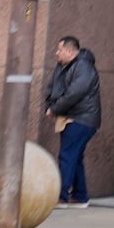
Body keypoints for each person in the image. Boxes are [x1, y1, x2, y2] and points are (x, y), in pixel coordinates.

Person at [44, 35, 101, 208]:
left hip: (81, 118)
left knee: (67, 156)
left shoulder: (83, 67)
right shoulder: (63, 66)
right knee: (74, 157)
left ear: (70, 51)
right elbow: (52, 88)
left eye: (59, 49)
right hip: (72, 117)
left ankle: (61, 197)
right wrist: (51, 105)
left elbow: (74, 93)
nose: (56, 53)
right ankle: (80, 196)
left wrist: (55, 109)